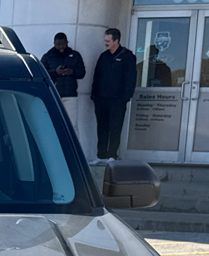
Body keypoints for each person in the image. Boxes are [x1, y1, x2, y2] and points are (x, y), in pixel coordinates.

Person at [90, 27, 138, 160]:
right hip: (101, 99)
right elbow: (97, 76)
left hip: (118, 100)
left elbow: (131, 78)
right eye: (105, 40)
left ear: (116, 41)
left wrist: (125, 97)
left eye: (108, 41)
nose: (105, 43)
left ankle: (112, 154)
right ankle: (101, 155)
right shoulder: (103, 57)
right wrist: (94, 95)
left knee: (115, 128)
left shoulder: (127, 56)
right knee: (102, 127)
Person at [40, 33, 87, 157]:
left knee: (73, 124)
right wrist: (55, 72)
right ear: (54, 43)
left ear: (67, 42)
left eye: (63, 44)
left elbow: (82, 73)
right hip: (54, 95)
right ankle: (53, 152)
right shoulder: (48, 56)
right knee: (52, 124)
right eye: (58, 44)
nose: (61, 46)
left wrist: (72, 72)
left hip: (70, 94)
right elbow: (41, 74)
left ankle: (75, 153)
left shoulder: (75, 55)